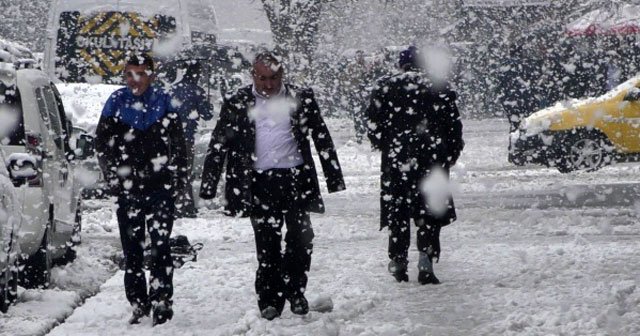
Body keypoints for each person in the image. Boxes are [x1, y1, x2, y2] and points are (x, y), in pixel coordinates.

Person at [199, 51, 346, 320]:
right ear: (252, 75)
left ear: (283, 75)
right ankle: (269, 301)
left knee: (302, 239)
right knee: (267, 244)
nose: (268, 84)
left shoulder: (300, 98)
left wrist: (333, 176)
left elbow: (321, 135)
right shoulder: (237, 101)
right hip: (258, 182)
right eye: (263, 78)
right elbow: (219, 143)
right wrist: (209, 185)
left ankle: (296, 290)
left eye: (274, 78)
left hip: (295, 179)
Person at [95, 53, 188, 326]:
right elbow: (102, 143)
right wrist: (112, 176)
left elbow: (179, 144)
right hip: (128, 188)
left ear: (151, 75)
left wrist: (178, 180)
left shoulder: (164, 102)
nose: (134, 80)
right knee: (132, 249)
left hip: (160, 186)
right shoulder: (116, 102)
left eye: (141, 74)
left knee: (160, 246)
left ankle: (161, 299)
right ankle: (138, 301)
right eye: (129, 74)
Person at [366, 46, 464, 285]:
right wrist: (450, 152)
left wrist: (386, 144)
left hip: (397, 159)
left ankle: (398, 259)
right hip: (432, 157)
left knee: (397, 209)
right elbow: (453, 126)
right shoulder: (440, 87)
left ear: (401, 65)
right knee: (429, 209)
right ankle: (426, 258)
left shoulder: (385, 87)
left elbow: (372, 125)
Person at [170, 60, 214, 218]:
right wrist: (208, 106)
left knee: (175, 170)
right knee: (186, 170)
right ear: (196, 73)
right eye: (199, 72)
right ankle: (183, 205)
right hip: (187, 137)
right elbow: (207, 116)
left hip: (171, 136)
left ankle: (179, 204)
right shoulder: (197, 91)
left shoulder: (174, 89)